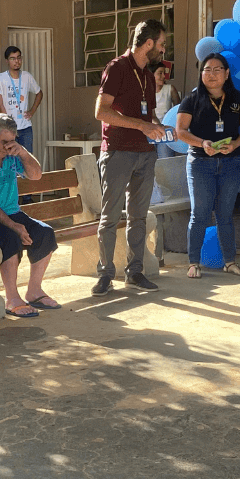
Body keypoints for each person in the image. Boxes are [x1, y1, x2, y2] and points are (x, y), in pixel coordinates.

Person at [92, 19, 168, 295]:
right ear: (148, 44)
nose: (163, 50)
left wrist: (160, 127)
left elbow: (148, 116)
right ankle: (105, 274)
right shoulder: (117, 68)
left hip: (145, 154)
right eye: (161, 44)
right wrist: (141, 126)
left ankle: (135, 272)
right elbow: (101, 112)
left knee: (138, 216)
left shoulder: (148, 75)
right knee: (110, 216)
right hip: (117, 152)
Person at [0, 114, 60, 318]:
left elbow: (36, 175)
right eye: (4, 142)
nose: (8, 147)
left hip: (11, 213)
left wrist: (23, 152)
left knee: (45, 233)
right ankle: (12, 298)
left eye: (12, 141)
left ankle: (34, 292)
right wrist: (14, 226)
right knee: (10, 237)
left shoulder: (12, 155)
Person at [176, 53, 240, 279]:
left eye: (217, 69)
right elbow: (180, 131)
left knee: (225, 215)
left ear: (226, 73)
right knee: (199, 214)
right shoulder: (192, 99)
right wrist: (202, 143)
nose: (212, 74)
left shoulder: (237, 98)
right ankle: (193, 263)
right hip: (200, 163)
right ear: (201, 74)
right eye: (207, 70)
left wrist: (236, 144)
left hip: (230, 163)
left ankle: (230, 262)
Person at [0, 46, 44, 154]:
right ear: (7, 61)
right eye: (13, 58)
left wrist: (32, 111)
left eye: (18, 57)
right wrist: (7, 125)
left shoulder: (27, 76)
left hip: (25, 127)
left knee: (26, 157)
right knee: (10, 158)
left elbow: (39, 93)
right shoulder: (1, 78)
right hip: (9, 128)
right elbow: (0, 103)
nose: (16, 61)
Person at [153, 61, 181, 160]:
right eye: (160, 73)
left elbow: (179, 110)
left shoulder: (170, 89)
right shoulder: (144, 92)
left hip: (166, 132)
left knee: (165, 160)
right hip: (150, 130)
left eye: (164, 73)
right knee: (149, 163)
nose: (163, 76)